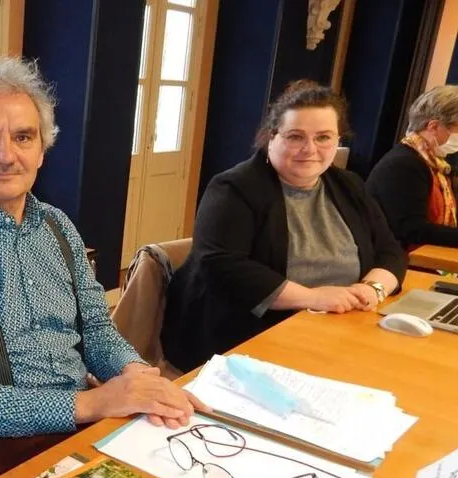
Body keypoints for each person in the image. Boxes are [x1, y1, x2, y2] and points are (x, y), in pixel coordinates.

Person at [0, 58, 208, 478]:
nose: (6, 155)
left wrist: (135, 375)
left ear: (42, 149)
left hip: (82, 427)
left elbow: (96, 330)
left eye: (23, 137)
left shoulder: (57, 226)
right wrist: (90, 404)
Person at [162, 80, 407, 372]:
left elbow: (390, 250)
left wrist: (372, 289)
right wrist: (313, 297)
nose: (309, 149)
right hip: (249, 338)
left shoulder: (350, 185)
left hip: (341, 328)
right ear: (272, 136)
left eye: (323, 137)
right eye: (295, 136)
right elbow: (220, 265)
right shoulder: (234, 188)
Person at [367, 85, 458, 249]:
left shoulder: (436, 164)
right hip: (396, 257)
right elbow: (411, 230)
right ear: (433, 127)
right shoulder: (403, 165)